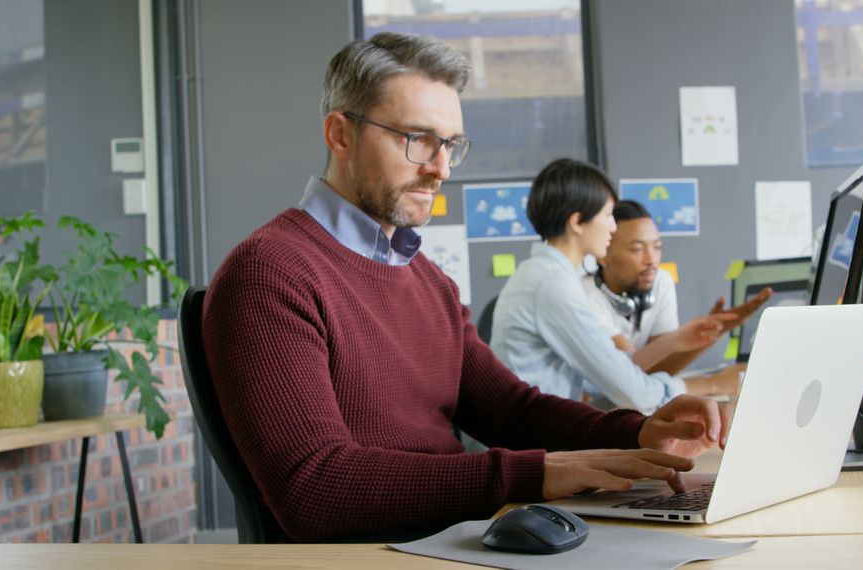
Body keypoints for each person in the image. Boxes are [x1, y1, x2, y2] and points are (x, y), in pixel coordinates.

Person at [201, 32, 728, 543]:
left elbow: (511, 411)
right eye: (418, 140)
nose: (441, 169)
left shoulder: (427, 279)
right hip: (379, 554)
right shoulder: (268, 273)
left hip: (456, 538)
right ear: (341, 134)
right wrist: (534, 474)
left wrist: (636, 432)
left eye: (451, 144)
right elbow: (313, 487)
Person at [489, 158, 734, 413]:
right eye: (608, 215)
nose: (613, 226)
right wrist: (712, 385)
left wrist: (676, 342)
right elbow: (634, 392)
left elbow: (610, 369)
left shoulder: (545, 275)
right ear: (576, 222)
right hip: (533, 442)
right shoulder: (552, 285)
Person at [585, 200, 773, 376]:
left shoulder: (660, 281)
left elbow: (660, 369)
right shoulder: (584, 296)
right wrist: (711, 383)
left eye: (657, 247)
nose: (652, 260)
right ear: (603, 255)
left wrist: (710, 334)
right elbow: (631, 373)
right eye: (637, 249)